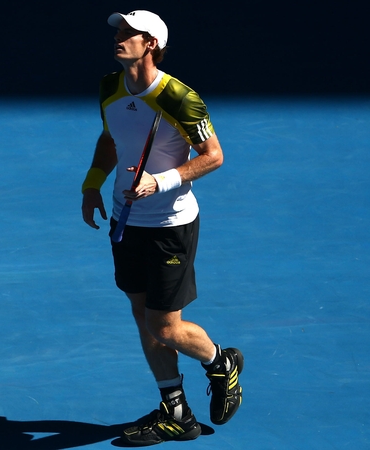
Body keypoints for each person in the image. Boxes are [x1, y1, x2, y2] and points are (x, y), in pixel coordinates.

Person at [80, 10, 243, 446]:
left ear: (150, 43)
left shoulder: (180, 98)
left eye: (128, 33)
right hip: (125, 220)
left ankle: (220, 363)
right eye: (117, 31)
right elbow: (111, 139)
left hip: (170, 225)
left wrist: (161, 181)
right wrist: (92, 185)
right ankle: (176, 412)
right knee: (143, 317)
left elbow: (213, 155)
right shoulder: (109, 87)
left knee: (165, 326)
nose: (118, 37)